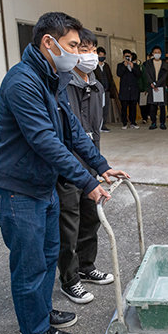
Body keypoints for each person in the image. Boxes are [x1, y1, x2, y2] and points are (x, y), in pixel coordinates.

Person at [0, 12, 128, 334]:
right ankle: (33, 332)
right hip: (18, 191)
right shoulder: (23, 82)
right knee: (30, 265)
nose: (79, 54)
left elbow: (73, 132)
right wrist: (85, 182)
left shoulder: (52, 79)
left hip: (42, 187)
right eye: (73, 46)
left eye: (80, 47)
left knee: (49, 257)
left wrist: (100, 166)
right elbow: (45, 140)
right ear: (48, 43)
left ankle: (43, 313)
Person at [56, 28, 114, 306]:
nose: (88, 55)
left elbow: (92, 132)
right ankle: (70, 280)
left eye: (92, 49)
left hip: (89, 166)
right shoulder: (60, 85)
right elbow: (67, 135)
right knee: (69, 224)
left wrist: (99, 165)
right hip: (68, 168)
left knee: (91, 219)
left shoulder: (96, 85)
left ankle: (86, 266)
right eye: (81, 48)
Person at [144, 46, 168, 130]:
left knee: (162, 106)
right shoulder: (148, 63)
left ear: (161, 54)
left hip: (161, 87)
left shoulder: (165, 64)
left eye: (159, 52)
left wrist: (157, 84)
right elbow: (147, 74)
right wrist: (151, 83)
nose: (157, 54)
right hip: (152, 87)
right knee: (152, 106)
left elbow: (165, 75)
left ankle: (162, 123)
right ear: (152, 53)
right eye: (155, 52)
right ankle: (153, 122)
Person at [116, 49, 141, 129]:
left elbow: (138, 75)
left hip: (133, 90)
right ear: (123, 57)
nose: (128, 58)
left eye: (129, 56)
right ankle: (124, 123)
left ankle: (133, 122)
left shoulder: (135, 65)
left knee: (133, 107)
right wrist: (125, 66)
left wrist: (132, 67)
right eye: (126, 56)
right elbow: (119, 74)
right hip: (124, 90)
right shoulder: (120, 65)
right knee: (124, 108)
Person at [94, 46, 115, 132]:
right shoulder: (94, 66)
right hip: (97, 91)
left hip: (106, 90)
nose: (102, 57)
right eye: (100, 55)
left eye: (103, 55)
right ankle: (97, 125)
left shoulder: (106, 66)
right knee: (97, 108)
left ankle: (103, 124)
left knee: (106, 108)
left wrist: (111, 89)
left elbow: (110, 77)